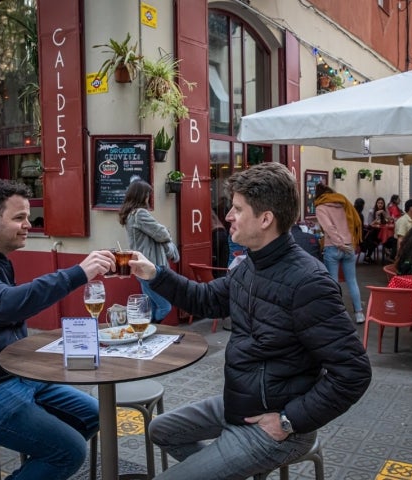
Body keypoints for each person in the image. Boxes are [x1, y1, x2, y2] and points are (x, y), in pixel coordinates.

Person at [128, 163, 372, 479]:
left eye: (238, 208)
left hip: (278, 424)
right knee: (161, 429)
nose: (228, 215)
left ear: (266, 219)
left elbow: (354, 372)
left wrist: (288, 421)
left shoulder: (308, 282)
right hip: (243, 403)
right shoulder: (250, 266)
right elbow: (206, 299)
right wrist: (155, 274)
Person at [0, 180, 114, 480]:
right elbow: (6, 305)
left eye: (27, 216)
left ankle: (41, 463)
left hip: (11, 377)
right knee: (71, 451)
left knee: (95, 413)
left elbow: (7, 317)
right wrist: (78, 273)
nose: (28, 224)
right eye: (19, 218)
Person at [119, 180, 178, 323]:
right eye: (147, 194)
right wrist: (166, 231)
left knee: (149, 306)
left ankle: (146, 334)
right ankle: (152, 327)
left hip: (141, 265)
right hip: (150, 266)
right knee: (165, 306)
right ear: (141, 195)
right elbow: (162, 233)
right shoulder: (140, 214)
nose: (149, 198)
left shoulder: (130, 214)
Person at [314, 183, 365, 323]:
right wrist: (348, 243)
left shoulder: (320, 207)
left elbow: (329, 228)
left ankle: (337, 314)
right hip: (349, 246)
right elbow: (352, 222)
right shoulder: (343, 203)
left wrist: (338, 243)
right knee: (352, 281)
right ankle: (359, 313)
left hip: (333, 247)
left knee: (333, 283)